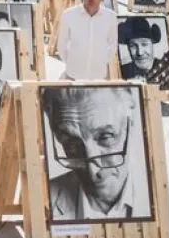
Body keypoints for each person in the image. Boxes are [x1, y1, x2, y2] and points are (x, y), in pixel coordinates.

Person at [44, 86, 143, 221]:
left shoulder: (158, 194)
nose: (92, 171)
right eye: (72, 145)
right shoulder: (44, 200)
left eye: (105, 137)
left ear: (130, 124)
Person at [58, 0, 119, 80]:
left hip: (98, 76)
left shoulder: (110, 17)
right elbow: (61, 45)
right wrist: (71, 62)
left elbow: (113, 44)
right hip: (73, 75)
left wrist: (102, 60)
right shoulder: (69, 15)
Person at [118, 16, 169, 89]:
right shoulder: (121, 72)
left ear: (152, 44)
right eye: (133, 46)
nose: (140, 52)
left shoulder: (168, 69)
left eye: (144, 44)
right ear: (128, 48)